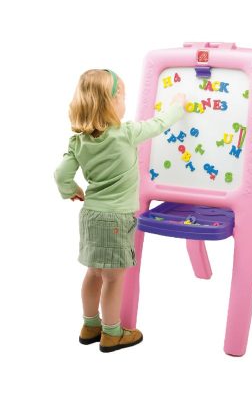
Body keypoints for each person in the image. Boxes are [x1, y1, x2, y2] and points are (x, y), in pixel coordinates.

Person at [54, 69, 186, 351]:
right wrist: (178, 106)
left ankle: (90, 325)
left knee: (93, 273)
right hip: (116, 218)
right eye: (122, 97)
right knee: (113, 278)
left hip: (91, 215)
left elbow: (61, 174)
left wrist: (71, 190)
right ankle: (112, 332)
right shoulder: (126, 133)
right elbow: (159, 124)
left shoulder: (77, 141)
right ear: (112, 101)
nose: (124, 102)